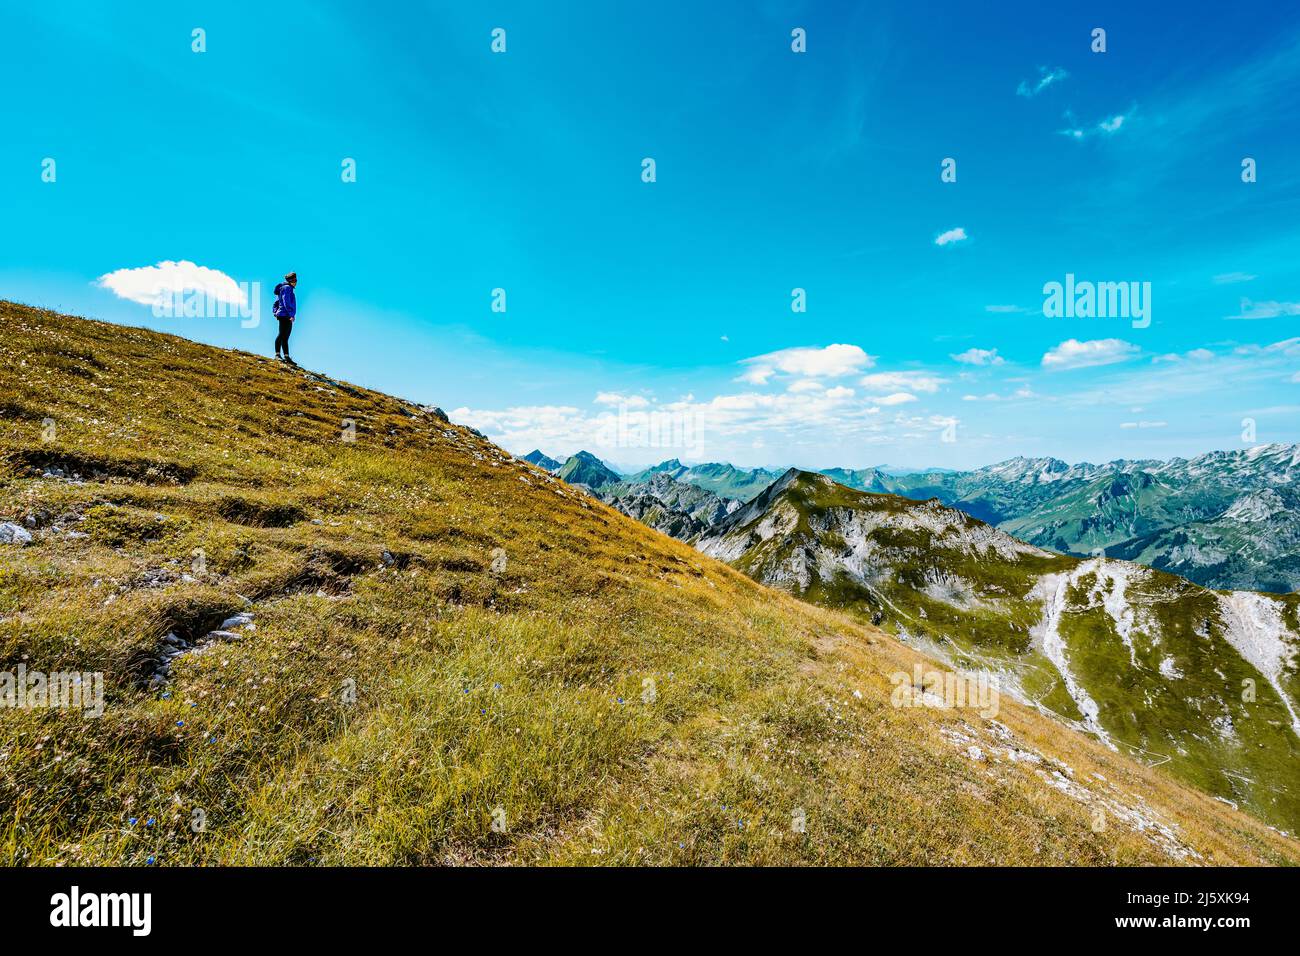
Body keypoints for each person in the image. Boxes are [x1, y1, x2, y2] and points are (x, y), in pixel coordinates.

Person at [272, 272, 298, 364]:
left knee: (285, 336)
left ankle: (286, 356)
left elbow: (276, 302)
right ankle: (277, 355)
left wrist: (275, 312)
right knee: (282, 334)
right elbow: (286, 302)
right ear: (291, 280)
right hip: (285, 315)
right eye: (295, 280)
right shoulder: (287, 288)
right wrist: (291, 314)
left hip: (285, 314)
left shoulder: (286, 288)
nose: (296, 282)